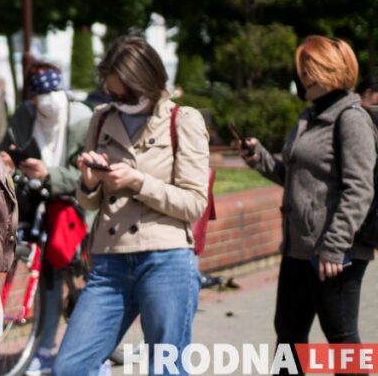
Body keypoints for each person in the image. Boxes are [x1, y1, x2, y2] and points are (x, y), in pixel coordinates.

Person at [53, 36, 209, 376]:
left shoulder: (182, 120)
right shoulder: (101, 119)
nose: (119, 103)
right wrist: (89, 182)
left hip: (165, 258)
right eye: (113, 95)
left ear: (149, 84)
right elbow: (90, 201)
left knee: (166, 369)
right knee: (70, 367)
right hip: (110, 260)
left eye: (127, 96)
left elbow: (195, 202)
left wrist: (139, 182)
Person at [239, 36, 376, 376]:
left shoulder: (351, 119)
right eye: (301, 70)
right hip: (298, 248)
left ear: (327, 70)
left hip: (335, 253)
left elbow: (359, 189)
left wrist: (334, 247)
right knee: (288, 335)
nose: (301, 77)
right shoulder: (309, 117)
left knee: (342, 339)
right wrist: (259, 158)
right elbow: (297, 178)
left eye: (307, 69)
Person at [0, 61, 91, 376]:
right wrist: (7, 161)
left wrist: (50, 173)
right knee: (38, 259)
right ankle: (44, 344)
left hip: (75, 200)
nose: (48, 100)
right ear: (32, 98)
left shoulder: (81, 118)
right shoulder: (25, 116)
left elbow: (88, 174)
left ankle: (55, 344)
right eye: (41, 93)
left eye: (53, 90)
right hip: (35, 198)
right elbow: (6, 149)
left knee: (63, 264)